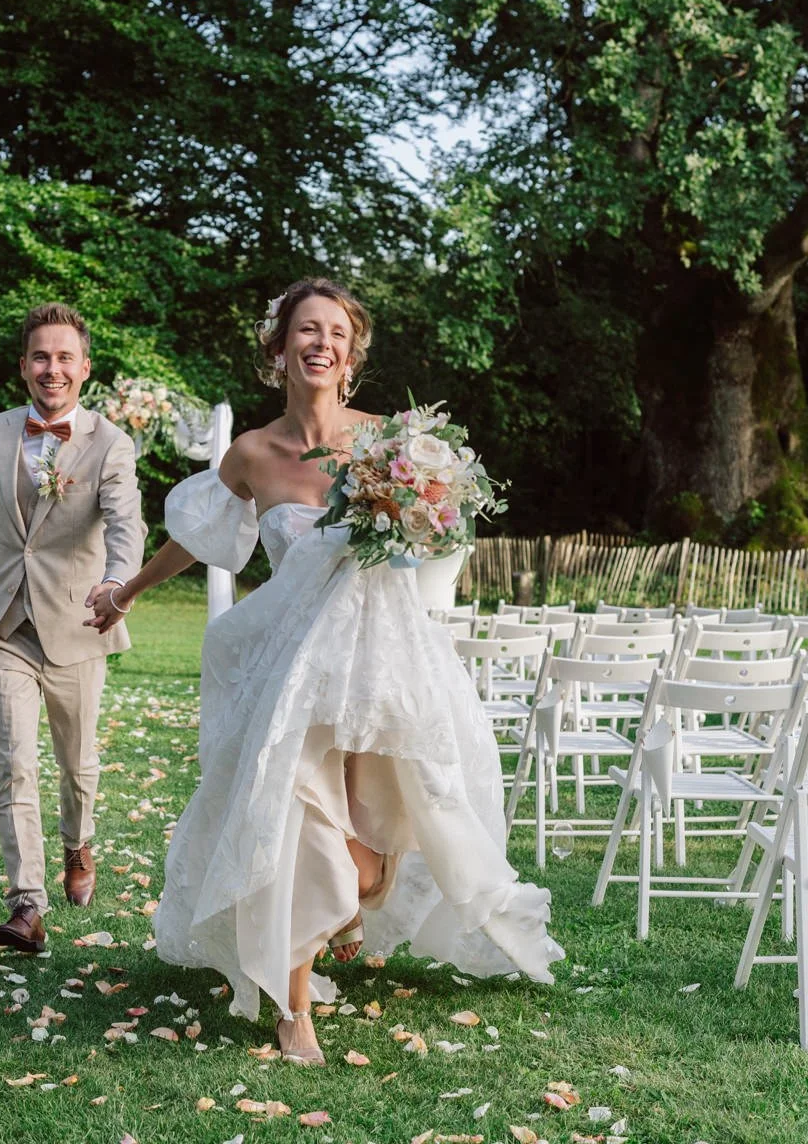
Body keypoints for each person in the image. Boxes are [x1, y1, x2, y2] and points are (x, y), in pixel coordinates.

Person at [85, 277, 561, 1064]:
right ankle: (291, 1000)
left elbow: (443, 536)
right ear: (279, 350)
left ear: (351, 356)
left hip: (383, 659)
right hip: (296, 661)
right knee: (295, 817)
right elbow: (201, 537)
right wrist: (128, 590)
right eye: (306, 331)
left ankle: (350, 908)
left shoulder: (391, 445)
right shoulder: (253, 453)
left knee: (372, 856)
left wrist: (416, 506)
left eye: (336, 334)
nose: (322, 344)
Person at [0, 302, 144, 952]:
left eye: (63, 357)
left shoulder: (110, 442)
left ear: (84, 368)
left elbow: (124, 525)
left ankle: (76, 845)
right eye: (39, 356)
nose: (50, 368)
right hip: (3, 625)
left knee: (78, 766)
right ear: (23, 366)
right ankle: (26, 904)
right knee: (13, 767)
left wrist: (117, 583)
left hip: (79, 624)